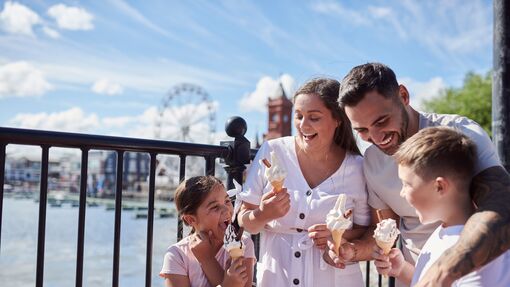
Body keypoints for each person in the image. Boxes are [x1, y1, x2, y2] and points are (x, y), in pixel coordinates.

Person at [326, 62, 510, 287]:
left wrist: (444, 271)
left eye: (381, 121)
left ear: (403, 95)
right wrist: (352, 251)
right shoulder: (372, 161)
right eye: (362, 130)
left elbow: (502, 206)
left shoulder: (460, 134)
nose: (375, 137)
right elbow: (383, 230)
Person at [237, 78, 370, 286]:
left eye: (314, 118)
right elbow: (245, 222)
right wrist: (263, 214)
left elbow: (365, 228)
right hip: (276, 278)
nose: (303, 125)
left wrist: (338, 233)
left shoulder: (358, 167)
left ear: (338, 119)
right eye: (298, 116)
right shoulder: (272, 151)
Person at [373, 126, 510, 286]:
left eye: (406, 184)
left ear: (439, 187)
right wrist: (402, 269)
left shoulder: (479, 263)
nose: (402, 193)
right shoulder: (444, 232)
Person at [160, 175, 256, 287]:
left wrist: (207, 259)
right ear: (191, 219)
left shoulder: (243, 244)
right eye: (215, 207)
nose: (226, 210)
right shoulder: (177, 255)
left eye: (227, 201)